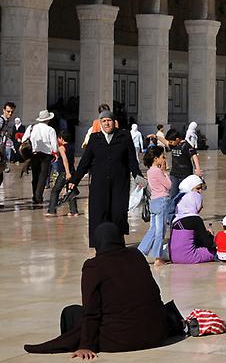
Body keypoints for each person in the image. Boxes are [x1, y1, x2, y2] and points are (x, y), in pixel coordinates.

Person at [24, 223, 170, 357]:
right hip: (156, 335)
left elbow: (91, 311)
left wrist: (86, 345)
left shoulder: (94, 266)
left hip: (120, 340)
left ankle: (75, 343)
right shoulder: (136, 256)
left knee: (71, 313)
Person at [168, 176, 215, 264]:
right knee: (215, 253)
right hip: (187, 257)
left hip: (173, 257)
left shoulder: (176, 218)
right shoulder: (195, 219)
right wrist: (210, 235)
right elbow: (207, 243)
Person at [137, 146, 170, 267]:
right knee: (160, 230)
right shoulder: (157, 171)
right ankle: (158, 257)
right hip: (162, 200)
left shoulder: (150, 171)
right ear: (156, 159)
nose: (164, 159)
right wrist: (165, 172)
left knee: (153, 229)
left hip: (153, 201)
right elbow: (169, 185)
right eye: (162, 157)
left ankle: (140, 251)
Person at [165, 129, 202, 225]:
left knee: (186, 195)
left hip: (185, 175)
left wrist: (197, 169)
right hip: (174, 174)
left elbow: (194, 155)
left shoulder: (186, 145)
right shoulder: (173, 145)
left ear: (177, 139)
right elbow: (165, 142)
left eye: (171, 141)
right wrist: (156, 137)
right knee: (173, 195)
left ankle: (186, 214)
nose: (170, 143)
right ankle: (170, 217)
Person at [22, 110, 58, 204]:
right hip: (46, 155)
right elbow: (54, 145)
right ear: (48, 119)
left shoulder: (31, 127)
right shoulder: (51, 130)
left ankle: (35, 196)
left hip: (34, 154)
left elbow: (23, 139)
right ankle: (38, 196)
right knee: (43, 176)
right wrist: (55, 154)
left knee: (35, 175)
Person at [46, 133, 78, 217]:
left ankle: (52, 210)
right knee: (71, 190)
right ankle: (74, 211)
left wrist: (67, 172)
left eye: (58, 138)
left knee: (55, 190)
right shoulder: (71, 147)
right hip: (72, 170)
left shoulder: (61, 148)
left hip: (64, 172)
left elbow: (65, 160)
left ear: (61, 139)